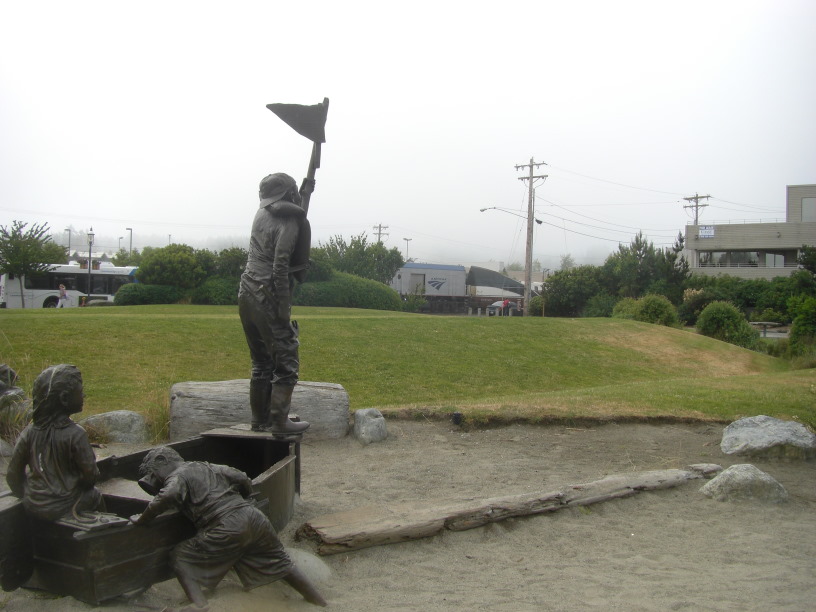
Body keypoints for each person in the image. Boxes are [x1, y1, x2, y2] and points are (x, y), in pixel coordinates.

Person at [130, 446, 326, 611]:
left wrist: (143, 518)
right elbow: (241, 477)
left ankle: (199, 605)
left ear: (163, 460)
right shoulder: (208, 467)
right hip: (254, 517)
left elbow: (166, 496)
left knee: (180, 557)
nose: (156, 481)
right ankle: (318, 600)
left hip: (226, 524)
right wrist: (248, 497)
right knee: (282, 562)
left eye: (154, 474)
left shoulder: (177, 475)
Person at [238, 172, 312, 437]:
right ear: (288, 194)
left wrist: (306, 189)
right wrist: (282, 307)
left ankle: (260, 420)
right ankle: (280, 423)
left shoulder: (261, 215)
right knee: (286, 361)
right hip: (269, 293)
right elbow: (281, 266)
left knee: (261, 363)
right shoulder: (290, 220)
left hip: (246, 291)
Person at [6, 364, 104, 522]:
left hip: (33, 505)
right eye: (80, 391)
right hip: (65, 505)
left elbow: (12, 476)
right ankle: (106, 535)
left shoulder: (29, 433)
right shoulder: (76, 434)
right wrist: (76, 485)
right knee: (95, 494)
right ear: (64, 398)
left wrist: (30, 495)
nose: (84, 395)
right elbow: (91, 476)